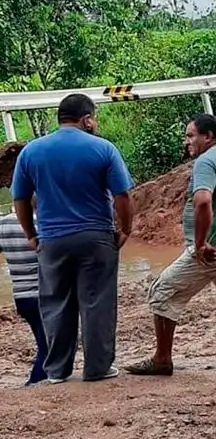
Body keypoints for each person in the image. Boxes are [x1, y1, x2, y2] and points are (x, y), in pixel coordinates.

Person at [125, 113, 216, 384]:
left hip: (214, 249)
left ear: (208, 137)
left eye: (191, 135)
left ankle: (162, 359)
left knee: (162, 291)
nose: (187, 141)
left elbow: (203, 201)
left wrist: (202, 243)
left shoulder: (205, 161)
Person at [11, 93, 134, 384]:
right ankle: (98, 368)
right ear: (87, 119)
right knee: (98, 302)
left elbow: (20, 199)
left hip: (52, 240)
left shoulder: (31, 152)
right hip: (96, 236)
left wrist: (31, 235)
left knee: (55, 303)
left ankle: (57, 372)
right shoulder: (104, 148)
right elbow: (123, 195)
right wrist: (125, 228)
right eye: (95, 118)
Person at [0, 200, 47, 386]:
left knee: (43, 342)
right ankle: (35, 384)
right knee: (48, 346)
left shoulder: (4, 223)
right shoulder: (42, 223)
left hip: (21, 297)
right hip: (43, 295)